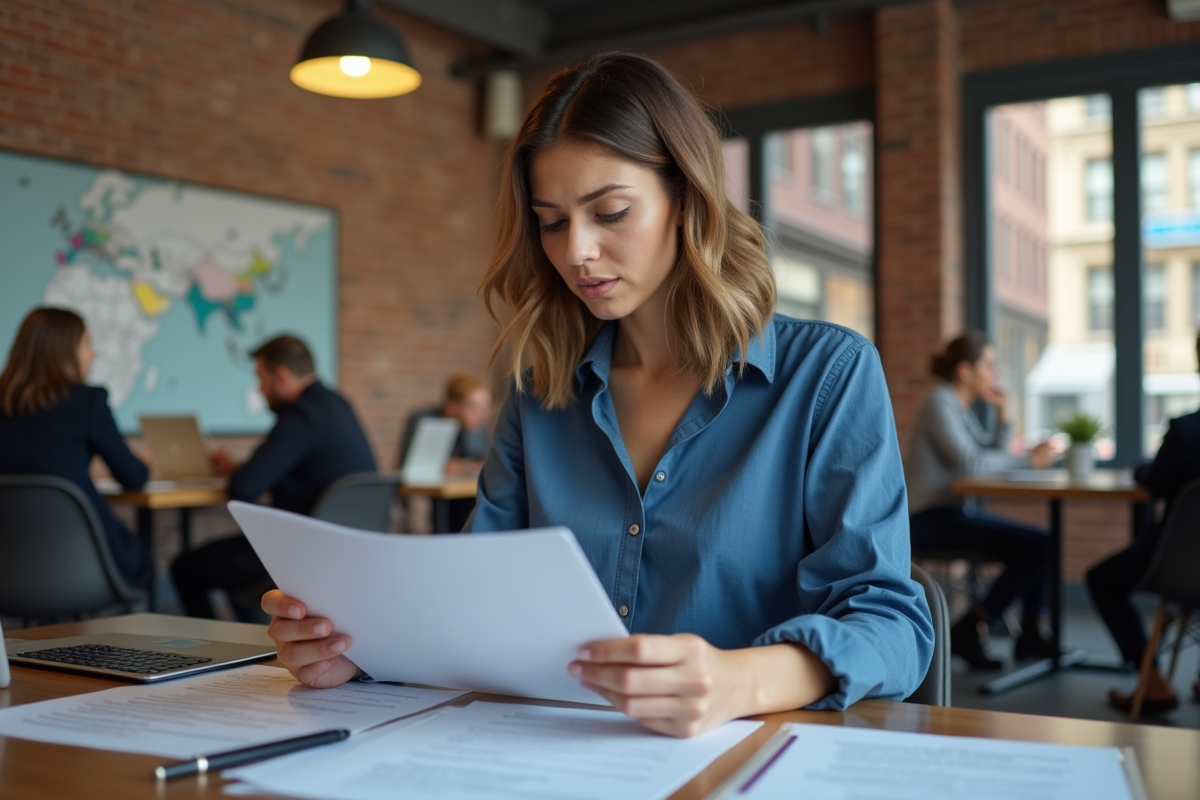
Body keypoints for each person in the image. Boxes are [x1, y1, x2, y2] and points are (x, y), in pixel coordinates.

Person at [260, 52, 933, 738]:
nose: (578, 250)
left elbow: (894, 626)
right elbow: (474, 600)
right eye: (552, 221)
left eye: (610, 212)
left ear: (686, 198)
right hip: (549, 756)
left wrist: (740, 679)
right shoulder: (540, 390)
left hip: (748, 761)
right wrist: (359, 656)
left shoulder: (827, 375)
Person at [170, 335, 376, 619]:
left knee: (184, 568)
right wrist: (239, 466)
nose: (259, 389)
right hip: (349, 550)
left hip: (298, 555)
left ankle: (212, 653)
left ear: (281, 376)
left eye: (261, 378)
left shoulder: (300, 415)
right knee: (234, 575)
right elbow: (297, 464)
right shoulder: (338, 405)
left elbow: (244, 487)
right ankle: (250, 646)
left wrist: (240, 472)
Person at [905, 332, 1057, 670]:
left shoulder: (959, 408)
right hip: (926, 519)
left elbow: (989, 460)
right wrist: (1030, 461)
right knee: (1038, 547)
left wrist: (1006, 417)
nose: (994, 373)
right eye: (988, 365)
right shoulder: (938, 403)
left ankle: (1028, 631)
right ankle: (974, 625)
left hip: (951, 513)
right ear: (964, 372)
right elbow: (971, 463)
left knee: (1043, 542)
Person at [1088, 331, 1200, 715]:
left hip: (1180, 567)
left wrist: (1141, 470)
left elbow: (1155, 483)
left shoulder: (1187, 431)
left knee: (1100, 579)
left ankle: (1151, 682)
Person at [0, 307, 152, 587]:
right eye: (86, 343)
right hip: (90, 566)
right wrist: (141, 461)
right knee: (142, 556)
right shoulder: (87, 401)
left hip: (11, 574)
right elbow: (134, 477)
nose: (92, 354)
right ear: (64, 350)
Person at [396, 372, 493, 531]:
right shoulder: (425, 420)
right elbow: (411, 468)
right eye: (474, 407)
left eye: (485, 407)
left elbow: (485, 461)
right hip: (437, 499)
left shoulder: (476, 427)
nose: (483, 414)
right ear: (452, 407)